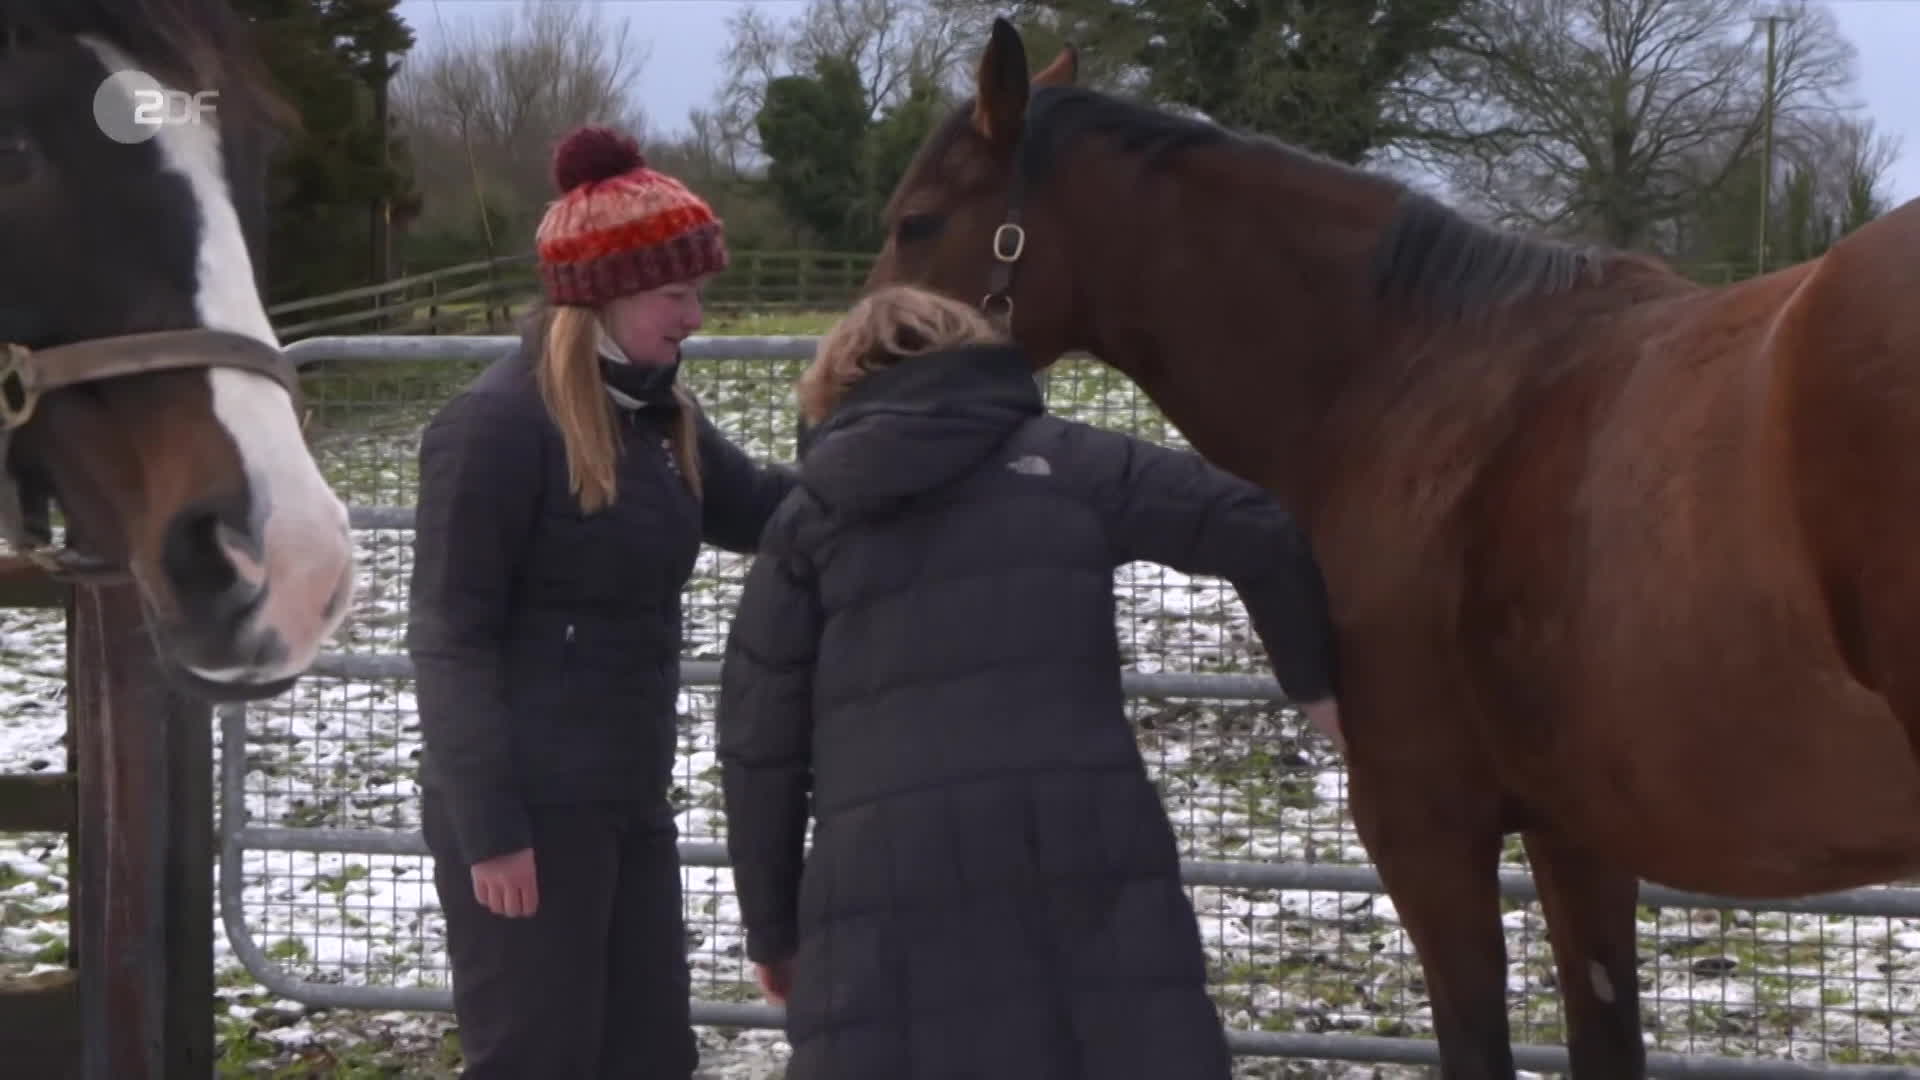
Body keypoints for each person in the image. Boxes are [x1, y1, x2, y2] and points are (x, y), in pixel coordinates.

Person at [715, 285, 1343, 1080]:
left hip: (884, 879)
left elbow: (756, 745)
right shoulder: (1069, 463)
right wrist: (1313, 685)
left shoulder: (807, 519)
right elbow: (1257, 527)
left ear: (837, 383)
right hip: (1083, 846)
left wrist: (772, 932)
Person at [407, 124, 795, 1079]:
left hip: (626, 796)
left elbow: (774, 513)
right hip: (525, 817)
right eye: (675, 292)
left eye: (697, 290)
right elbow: (451, 639)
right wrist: (491, 833)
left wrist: (898, 471)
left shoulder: (663, 417)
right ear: (606, 296)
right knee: (538, 1055)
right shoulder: (495, 429)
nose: (695, 315)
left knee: (652, 1053)